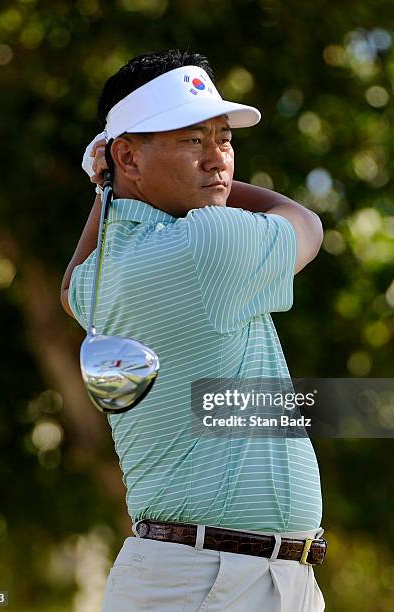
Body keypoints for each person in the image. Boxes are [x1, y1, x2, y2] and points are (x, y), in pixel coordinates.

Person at [60, 49, 326, 611]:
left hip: (227, 576)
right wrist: (111, 181)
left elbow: (69, 286)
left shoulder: (105, 273)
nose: (218, 161)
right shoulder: (210, 244)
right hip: (209, 582)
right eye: (192, 141)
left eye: (223, 139)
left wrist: (105, 186)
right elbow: (306, 222)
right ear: (130, 157)